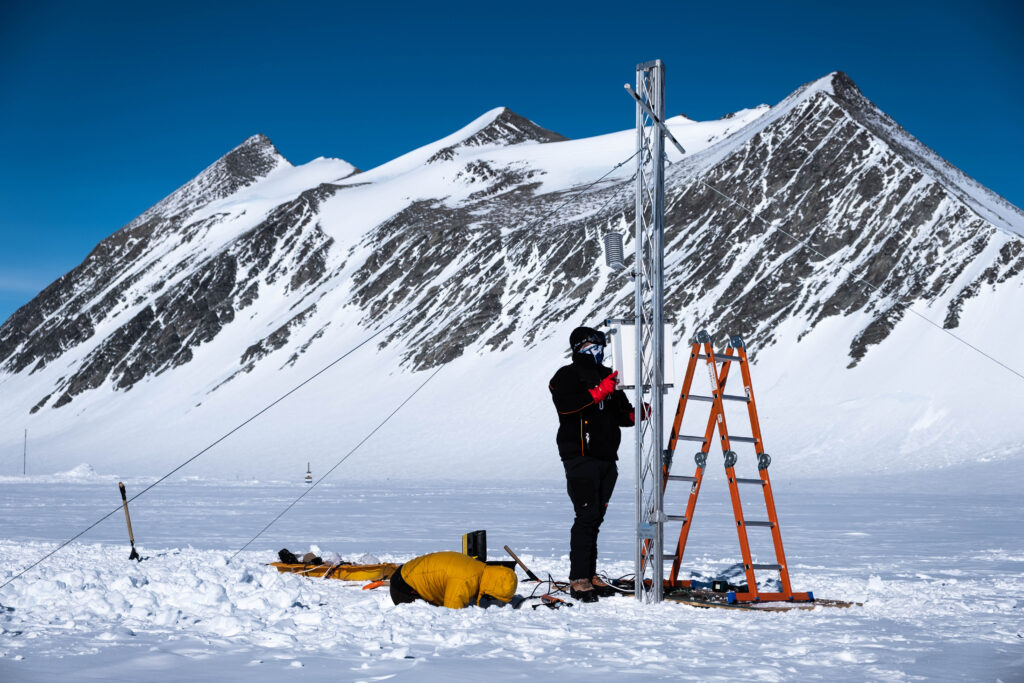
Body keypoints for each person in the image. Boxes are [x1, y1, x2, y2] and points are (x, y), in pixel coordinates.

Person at [548, 326, 638, 602]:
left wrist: (644, 411)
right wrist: (597, 393)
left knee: (596, 517)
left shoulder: (607, 375)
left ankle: (590, 572)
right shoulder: (566, 376)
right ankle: (579, 578)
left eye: (600, 344)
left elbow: (624, 415)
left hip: (607, 456)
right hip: (580, 456)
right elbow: (566, 406)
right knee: (586, 516)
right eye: (593, 344)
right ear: (580, 347)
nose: (598, 349)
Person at [389, 551, 518, 609]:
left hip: (406, 573)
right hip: (403, 587)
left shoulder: (479, 569)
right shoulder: (466, 581)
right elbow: (451, 615)